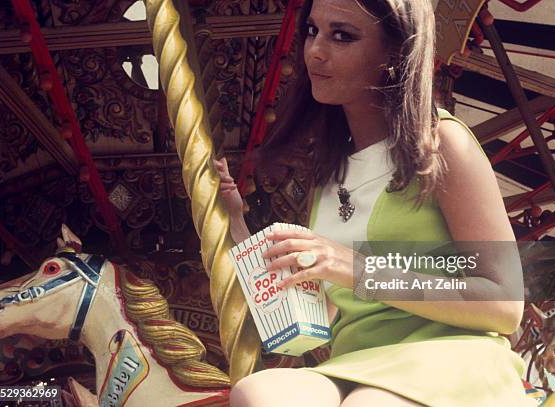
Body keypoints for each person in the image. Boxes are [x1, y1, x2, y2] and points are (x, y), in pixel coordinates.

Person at [214, 0, 533, 405]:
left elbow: (505, 304)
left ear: (395, 51)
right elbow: (319, 315)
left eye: (342, 36)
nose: (315, 50)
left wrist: (354, 268)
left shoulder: (444, 144)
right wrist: (235, 225)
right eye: (312, 31)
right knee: (257, 393)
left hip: (451, 355)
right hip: (356, 361)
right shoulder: (330, 175)